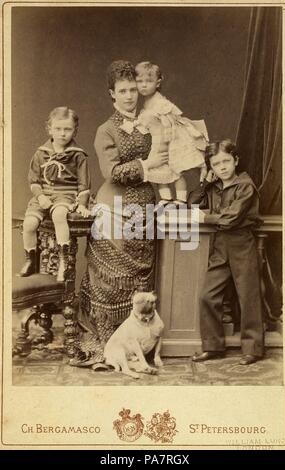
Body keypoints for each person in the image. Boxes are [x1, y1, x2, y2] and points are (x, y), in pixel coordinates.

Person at [73, 61, 167, 368]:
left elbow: (170, 155)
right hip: (114, 209)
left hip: (145, 208)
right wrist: (149, 164)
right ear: (112, 94)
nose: (129, 96)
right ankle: (104, 346)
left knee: (140, 280)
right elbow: (111, 172)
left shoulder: (151, 121)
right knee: (111, 280)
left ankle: (136, 348)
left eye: (132, 90)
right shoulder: (106, 129)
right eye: (122, 91)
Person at [188, 139, 264, 365]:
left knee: (248, 295)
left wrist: (207, 217)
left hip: (241, 243)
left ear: (236, 161)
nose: (222, 167)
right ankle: (212, 346)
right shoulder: (214, 186)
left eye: (226, 161)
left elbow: (231, 219)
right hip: (220, 244)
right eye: (216, 163)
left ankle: (253, 349)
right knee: (208, 296)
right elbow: (192, 202)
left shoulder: (245, 185)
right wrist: (204, 182)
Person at [19, 106, 91, 282]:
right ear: (49, 129)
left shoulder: (78, 155)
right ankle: (30, 259)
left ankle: (63, 261)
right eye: (58, 129)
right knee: (29, 224)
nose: (62, 133)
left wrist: (82, 204)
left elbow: (84, 184)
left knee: (59, 215)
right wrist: (41, 197)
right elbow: (34, 181)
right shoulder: (41, 153)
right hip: (43, 195)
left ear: (75, 131)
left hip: (65, 195)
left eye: (68, 129)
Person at [128, 61, 208, 207]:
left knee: (175, 169)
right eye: (139, 81)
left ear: (158, 83)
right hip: (157, 139)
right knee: (156, 170)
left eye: (149, 81)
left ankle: (181, 200)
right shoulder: (147, 102)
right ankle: (166, 199)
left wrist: (169, 144)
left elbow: (170, 122)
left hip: (168, 139)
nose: (144, 85)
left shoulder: (160, 102)